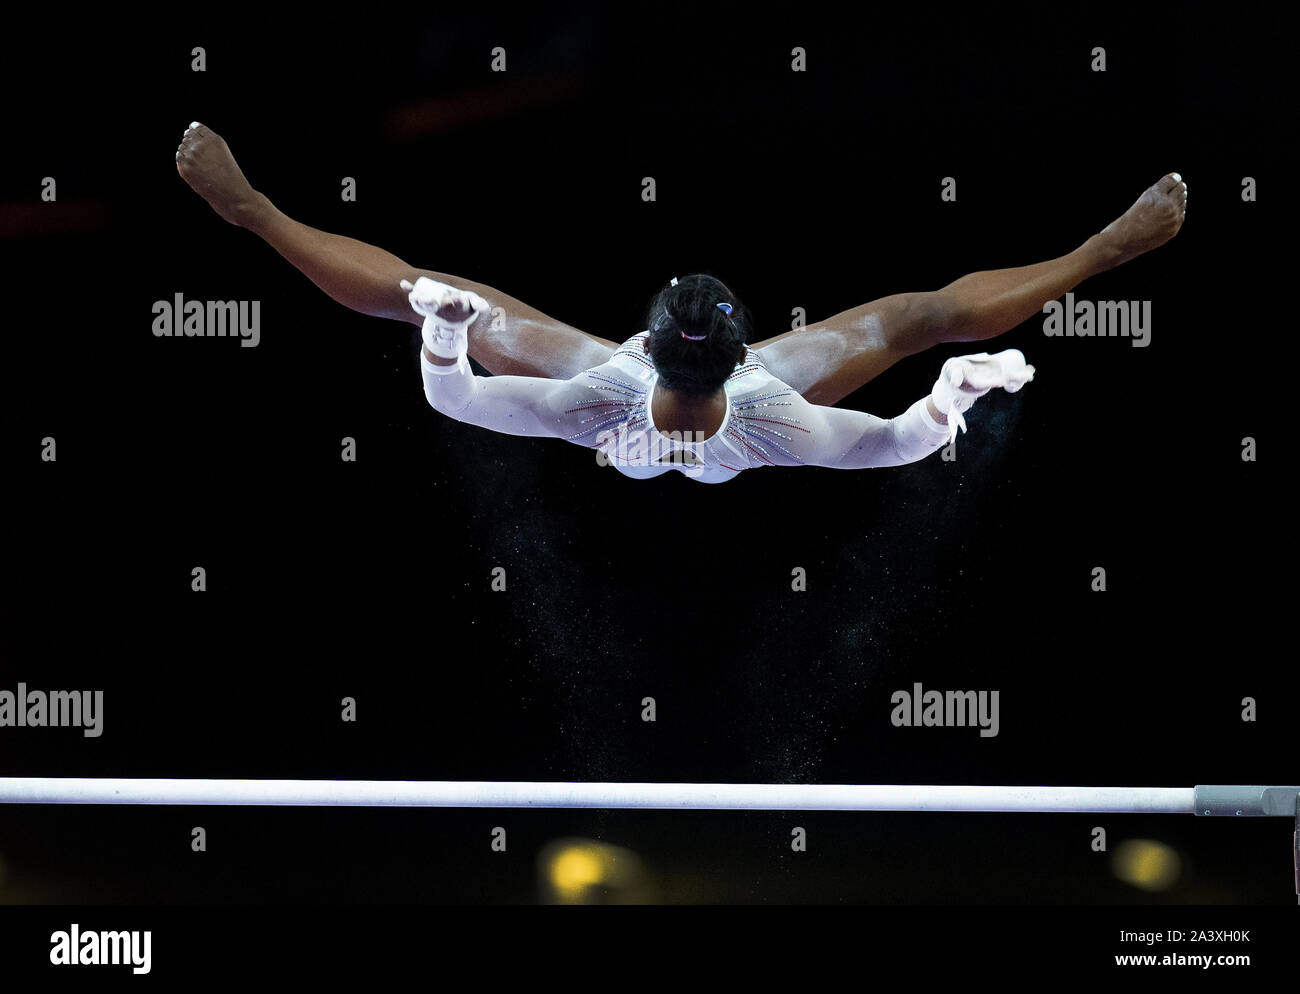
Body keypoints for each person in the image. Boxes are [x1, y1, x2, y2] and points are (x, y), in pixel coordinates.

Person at [175, 122, 1187, 481]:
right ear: (744, 344)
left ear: (649, 342)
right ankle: (1093, 254)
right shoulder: (776, 409)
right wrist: (948, 399)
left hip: (622, 422)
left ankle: (260, 214)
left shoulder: (599, 390)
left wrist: (445, 335)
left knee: (436, 294)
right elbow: (885, 446)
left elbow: (457, 403)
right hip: (728, 431)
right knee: (922, 316)